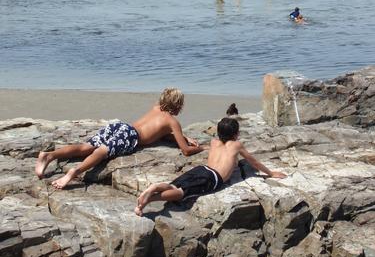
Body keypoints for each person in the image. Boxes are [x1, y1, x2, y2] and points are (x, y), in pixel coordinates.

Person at [35, 88, 206, 190]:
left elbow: (159, 130)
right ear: (178, 106)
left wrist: (182, 136)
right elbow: (185, 151)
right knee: (102, 152)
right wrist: (201, 148)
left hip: (120, 127)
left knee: (86, 147)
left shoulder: (156, 108)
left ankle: (49, 155)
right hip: (131, 136)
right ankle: (74, 173)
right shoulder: (172, 121)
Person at [135, 117, 287, 216]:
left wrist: (193, 143)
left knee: (174, 186)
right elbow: (254, 162)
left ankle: (154, 189)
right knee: (182, 193)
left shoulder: (214, 142)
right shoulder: (236, 145)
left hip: (201, 169)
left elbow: (205, 147)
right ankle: (148, 200)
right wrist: (270, 173)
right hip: (212, 178)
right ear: (236, 134)